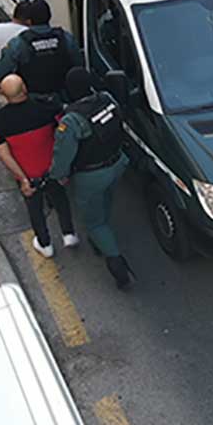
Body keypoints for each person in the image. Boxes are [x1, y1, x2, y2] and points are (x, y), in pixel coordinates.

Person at [51, 67, 134, 289]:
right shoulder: (107, 99)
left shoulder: (72, 121)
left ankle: (117, 263)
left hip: (91, 175)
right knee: (105, 200)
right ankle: (102, 235)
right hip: (117, 163)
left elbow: (62, 155)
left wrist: (58, 176)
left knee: (94, 221)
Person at [0, 75, 79, 258]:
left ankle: (45, 244)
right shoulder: (46, 107)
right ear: (25, 88)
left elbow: (3, 153)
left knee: (35, 209)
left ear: (5, 95)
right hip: (53, 168)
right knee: (60, 199)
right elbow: (63, 131)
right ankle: (68, 233)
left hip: (29, 176)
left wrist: (22, 179)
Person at [0, 0, 81, 103]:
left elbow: (0, 73)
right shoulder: (66, 38)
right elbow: (78, 65)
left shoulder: (19, 44)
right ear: (49, 17)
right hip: (64, 99)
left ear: (29, 21)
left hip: (33, 102)